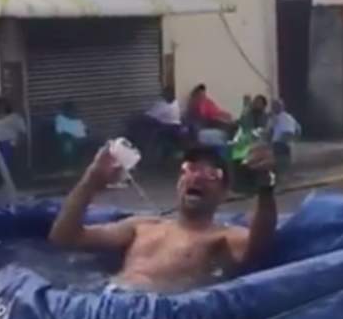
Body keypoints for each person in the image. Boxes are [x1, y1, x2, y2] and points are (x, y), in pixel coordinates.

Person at [49, 143, 278, 293]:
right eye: (189, 169)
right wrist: (91, 180)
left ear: (224, 193)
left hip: (159, 315)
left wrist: (265, 184)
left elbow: (260, 242)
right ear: (178, 183)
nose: (196, 178)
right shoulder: (141, 226)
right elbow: (64, 237)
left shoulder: (222, 238)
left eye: (211, 175)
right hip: (107, 300)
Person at [0, 95, 27, 167]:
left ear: (3, 106)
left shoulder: (14, 117)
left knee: (2, 148)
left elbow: (22, 134)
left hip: (8, 145)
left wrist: (15, 144)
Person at [53, 100, 89, 170]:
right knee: (68, 144)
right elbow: (59, 133)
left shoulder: (78, 119)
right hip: (70, 142)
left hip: (80, 141)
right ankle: (69, 165)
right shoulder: (60, 118)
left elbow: (86, 131)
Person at [269, 98, 302, 167]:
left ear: (282, 107)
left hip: (279, 144)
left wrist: (279, 142)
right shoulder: (287, 117)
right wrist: (295, 140)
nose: (274, 108)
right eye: (273, 106)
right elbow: (298, 129)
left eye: (276, 106)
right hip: (284, 144)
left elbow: (290, 131)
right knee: (283, 165)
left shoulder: (283, 117)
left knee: (280, 164)